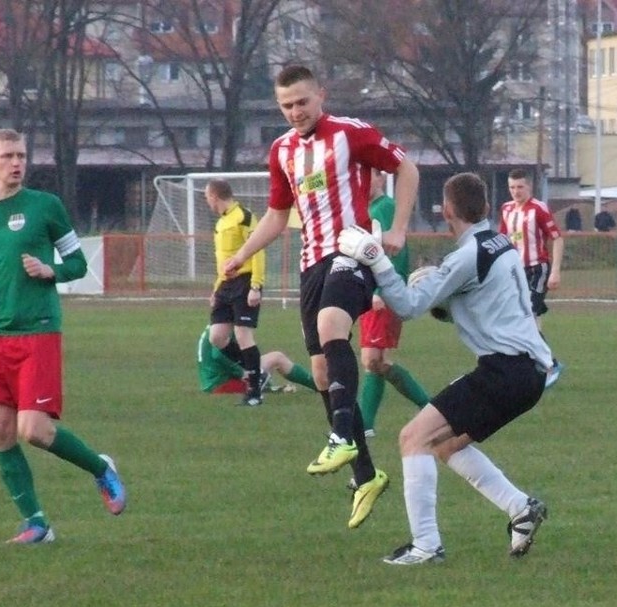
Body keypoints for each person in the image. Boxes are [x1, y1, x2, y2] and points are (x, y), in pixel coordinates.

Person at [223, 64, 419, 529]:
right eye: (286, 105)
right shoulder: (282, 151)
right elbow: (276, 215)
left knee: (334, 325)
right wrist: (244, 255)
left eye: (302, 103)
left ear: (320, 97)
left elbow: (406, 167)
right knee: (320, 369)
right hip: (312, 262)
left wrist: (398, 229)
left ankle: (342, 435)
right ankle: (366, 475)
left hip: (352, 249)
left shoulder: (350, 134)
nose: (295, 112)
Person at [0, 127, 126, 545]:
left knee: (33, 431)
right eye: (7, 157)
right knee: (0, 429)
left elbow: (77, 263)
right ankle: (36, 523)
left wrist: (52, 270)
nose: (16, 163)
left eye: (20, 155)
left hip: (37, 334)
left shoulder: (45, 207)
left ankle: (101, 467)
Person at [337, 172, 551, 564]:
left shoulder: (466, 256)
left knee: (412, 437)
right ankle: (521, 508)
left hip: (507, 369)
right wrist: (444, 296)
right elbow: (483, 303)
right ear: (487, 208)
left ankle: (426, 545)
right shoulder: (498, 242)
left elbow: (409, 306)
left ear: (446, 211)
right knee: (447, 445)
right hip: (529, 371)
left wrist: (377, 260)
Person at [358, 169, 430, 437]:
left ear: (379, 179)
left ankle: (427, 406)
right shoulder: (365, 210)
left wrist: (382, 289)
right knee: (375, 360)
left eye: (369, 177)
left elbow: (395, 250)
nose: (364, 182)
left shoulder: (385, 207)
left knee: (373, 359)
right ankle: (366, 424)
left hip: (384, 292)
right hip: (369, 292)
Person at [499, 168, 565, 388]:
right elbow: (503, 241)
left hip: (537, 269)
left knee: (527, 315)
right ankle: (535, 366)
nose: (515, 191)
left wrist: (555, 270)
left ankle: (550, 365)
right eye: (511, 187)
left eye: (520, 187)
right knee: (525, 320)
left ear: (529, 187)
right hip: (514, 271)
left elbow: (557, 238)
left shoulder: (538, 209)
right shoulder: (507, 209)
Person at [206, 178, 267, 406]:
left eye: (207, 197)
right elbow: (222, 260)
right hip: (225, 285)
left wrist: (256, 285)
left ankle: (254, 392)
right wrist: (216, 288)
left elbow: (258, 251)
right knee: (218, 337)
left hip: (245, 281)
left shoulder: (245, 216)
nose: (207, 202)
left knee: (243, 335)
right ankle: (255, 371)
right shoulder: (220, 223)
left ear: (214, 196)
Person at [197, 324, 317, 394]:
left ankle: (267, 386)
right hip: (222, 384)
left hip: (213, 382)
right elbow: (217, 355)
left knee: (274, 357)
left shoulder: (218, 325)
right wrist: (241, 373)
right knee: (277, 358)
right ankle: (320, 386)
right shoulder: (227, 327)